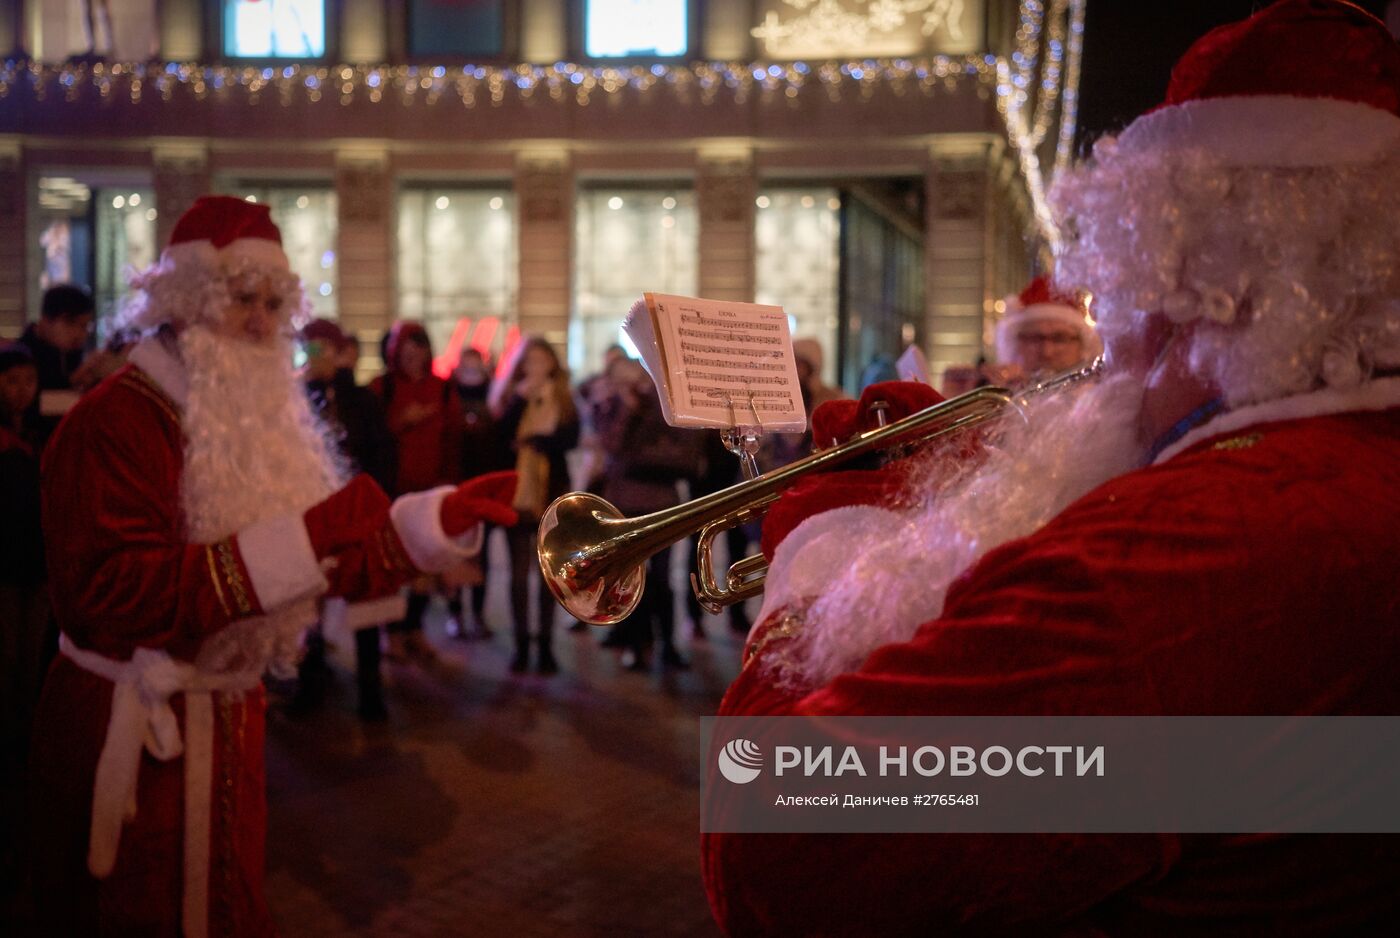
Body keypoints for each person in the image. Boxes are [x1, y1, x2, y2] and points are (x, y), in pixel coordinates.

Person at [703, 2, 1400, 934]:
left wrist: (828, 541)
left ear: (1198, 284)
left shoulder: (1182, 556)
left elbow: (775, 847)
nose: (1112, 352)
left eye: (1122, 299)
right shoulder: (1350, 471)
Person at [27, 195, 517, 935]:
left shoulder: (252, 420)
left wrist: (427, 528)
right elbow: (111, 595)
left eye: (272, 303)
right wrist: (301, 541)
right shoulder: (114, 421)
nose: (259, 323)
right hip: (129, 731)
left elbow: (320, 558)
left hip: (227, 721)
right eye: (239, 300)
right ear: (187, 303)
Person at [292, 318, 400, 721]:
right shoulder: (295, 399)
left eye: (322, 349)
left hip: (357, 516)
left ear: (339, 353)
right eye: (309, 349)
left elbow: (383, 454)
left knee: (366, 602)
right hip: (312, 516)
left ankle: (370, 691)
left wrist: (377, 505)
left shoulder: (362, 400)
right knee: (308, 603)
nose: (314, 357)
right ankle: (310, 681)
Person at [594, 357, 705, 671]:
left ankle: (667, 644)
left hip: (661, 504)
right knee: (629, 580)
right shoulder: (612, 406)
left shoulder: (664, 404)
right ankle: (635, 644)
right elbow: (613, 446)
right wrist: (628, 409)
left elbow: (684, 452)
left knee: (662, 579)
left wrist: (637, 455)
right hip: (623, 504)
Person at [371, 320, 465, 663]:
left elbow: (453, 442)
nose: (414, 359)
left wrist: (449, 487)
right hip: (393, 494)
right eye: (406, 352)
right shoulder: (381, 389)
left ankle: (414, 628)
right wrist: (401, 422)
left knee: (425, 567)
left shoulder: (442, 389)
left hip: (431, 493)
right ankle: (392, 634)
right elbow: (371, 441)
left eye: (419, 351)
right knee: (394, 568)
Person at [491, 336, 580, 674]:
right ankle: (521, 644)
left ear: (553, 364)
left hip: (550, 492)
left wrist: (537, 440)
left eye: (543, 360)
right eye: (531, 360)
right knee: (517, 573)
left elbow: (570, 438)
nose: (537, 367)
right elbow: (499, 436)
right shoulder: (511, 395)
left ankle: (544, 644)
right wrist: (518, 400)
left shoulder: (563, 398)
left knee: (547, 574)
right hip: (517, 493)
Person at [447, 345, 509, 641]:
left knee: (481, 554)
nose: (471, 371)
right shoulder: (449, 394)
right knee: (454, 552)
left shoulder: (493, 396)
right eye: (466, 365)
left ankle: (478, 614)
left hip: (483, 485)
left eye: (476, 366)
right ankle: (456, 613)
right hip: (456, 484)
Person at [985, 274, 1101, 388]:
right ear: (1016, 343)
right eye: (1035, 338)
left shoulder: (1103, 401)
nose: (1047, 352)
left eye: (1060, 338)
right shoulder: (995, 394)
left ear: (1083, 345)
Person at [18, 283, 95, 452]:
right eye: (71, 324)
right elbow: (30, 405)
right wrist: (75, 380)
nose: (78, 334)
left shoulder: (71, 353)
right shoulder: (20, 357)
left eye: (85, 326)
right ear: (46, 320)